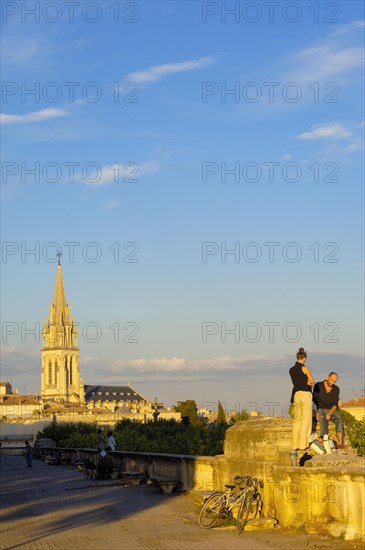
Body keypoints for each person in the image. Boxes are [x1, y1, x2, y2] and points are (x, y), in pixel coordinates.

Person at [289, 347, 315, 451]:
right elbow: (311, 381)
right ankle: (303, 445)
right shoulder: (305, 368)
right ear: (304, 358)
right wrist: (308, 383)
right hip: (305, 394)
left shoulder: (291, 370)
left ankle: (295, 445)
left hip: (296, 395)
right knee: (306, 421)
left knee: (297, 421)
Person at [313, 372, 344, 448]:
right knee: (323, 419)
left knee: (339, 419)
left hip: (331, 409)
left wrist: (329, 413)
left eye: (334, 381)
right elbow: (314, 400)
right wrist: (316, 412)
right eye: (331, 380)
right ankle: (324, 440)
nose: (332, 382)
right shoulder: (318, 385)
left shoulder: (336, 389)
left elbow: (335, 405)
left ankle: (340, 442)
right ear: (327, 377)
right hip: (320, 408)